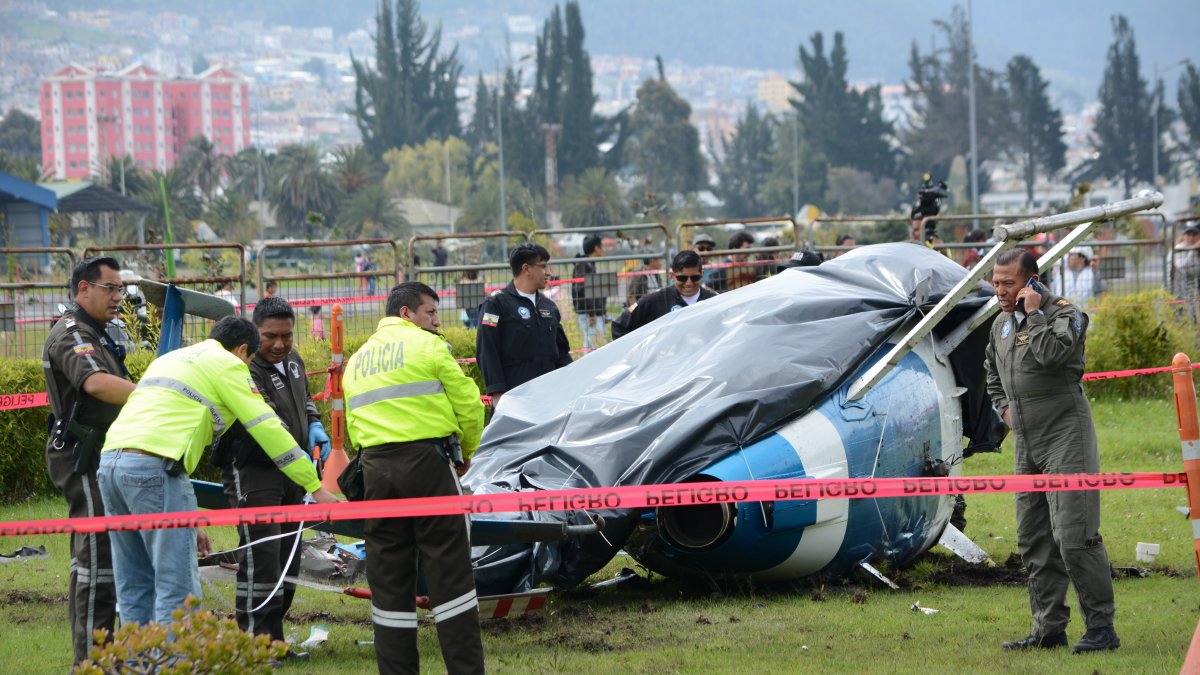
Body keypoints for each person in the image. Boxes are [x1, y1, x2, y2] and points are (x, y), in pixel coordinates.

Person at [96, 317, 338, 627]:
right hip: (157, 467)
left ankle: (135, 663)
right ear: (242, 350)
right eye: (250, 359)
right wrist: (314, 485)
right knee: (177, 586)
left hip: (112, 466)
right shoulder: (230, 364)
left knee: (134, 581)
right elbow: (267, 426)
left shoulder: (172, 358)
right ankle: (175, 663)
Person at [343, 282, 485, 675]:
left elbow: (354, 427)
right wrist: (467, 452)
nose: (437, 321)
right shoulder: (429, 346)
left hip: (374, 470)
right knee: (451, 576)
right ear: (406, 313)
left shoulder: (357, 360)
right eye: (431, 313)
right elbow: (470, 405)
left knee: (388, 582)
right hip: (428, 466)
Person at [984, 249, 1118, 654]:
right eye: (995, 282)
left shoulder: (1066, 315)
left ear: (1031, 282)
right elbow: (992, 373)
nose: (999, 290)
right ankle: (1049, 630)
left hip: (1066, 435)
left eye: (1009, 283)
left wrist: (1035, 314)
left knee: (1074, 536)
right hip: (1026, 442)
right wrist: (1004, 411)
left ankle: (1101, 629)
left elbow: (1053, 354)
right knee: (1034, 539)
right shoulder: (1000, 326)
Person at [212, 297, 331, 649]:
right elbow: (268, 426)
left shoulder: (293, 360)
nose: (279, 344)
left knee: (288, 560)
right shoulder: (244, 367)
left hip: (293, 472)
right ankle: (253, 645)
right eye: (270, 336)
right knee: (262, 559)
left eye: (287, 336)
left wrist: (314, 423)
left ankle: (274, 641)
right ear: (254, 333)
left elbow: (305, 399)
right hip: (254, 471)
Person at [41, 256, 136, 665]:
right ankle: (93, 664)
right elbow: (95, 382)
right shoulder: (72, 332)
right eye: (110, 288)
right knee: (97, 558)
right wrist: (156, 393)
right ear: (84, 289)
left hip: (103, 452)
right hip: (81, 456)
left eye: (121, 289)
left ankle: (100, 658)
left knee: (99, 557)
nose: (119, 297)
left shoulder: (97, 331)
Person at [475, 243, 572, 406]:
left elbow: (561, 352)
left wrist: (571, 380)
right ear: (526, 269)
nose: (549, 272)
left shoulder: (548, 306)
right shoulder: (496, 304)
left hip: (549, 398)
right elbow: (487, 350)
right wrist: (497, 393)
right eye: (543, 266)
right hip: (514, 398)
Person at [612, 250, 717, 339]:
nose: (688, 283)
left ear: (702, 275)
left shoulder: (714, 301)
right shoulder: (653, 301)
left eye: (694, 278)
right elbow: (619, 327)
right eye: (682, 278)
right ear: (672, 276)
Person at [571, 234, 607, 350]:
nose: (603, 249)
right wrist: (591, 313)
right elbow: (581, 289)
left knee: (591, 345)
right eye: (602, 246)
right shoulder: (583, 265)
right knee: (597, 344)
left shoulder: (588, 264)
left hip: (591, 312)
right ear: (597, 248)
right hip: (588, 313)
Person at [1175, 225, 1200, 325]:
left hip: (1193, 292)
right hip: (1179, 292)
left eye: (1194, 235)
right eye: (1188, 234)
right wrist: (1194, 249)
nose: (1191, 238)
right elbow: (1185, 268)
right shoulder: (1179, 248)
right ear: (1184, 236)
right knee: (1182, 320)